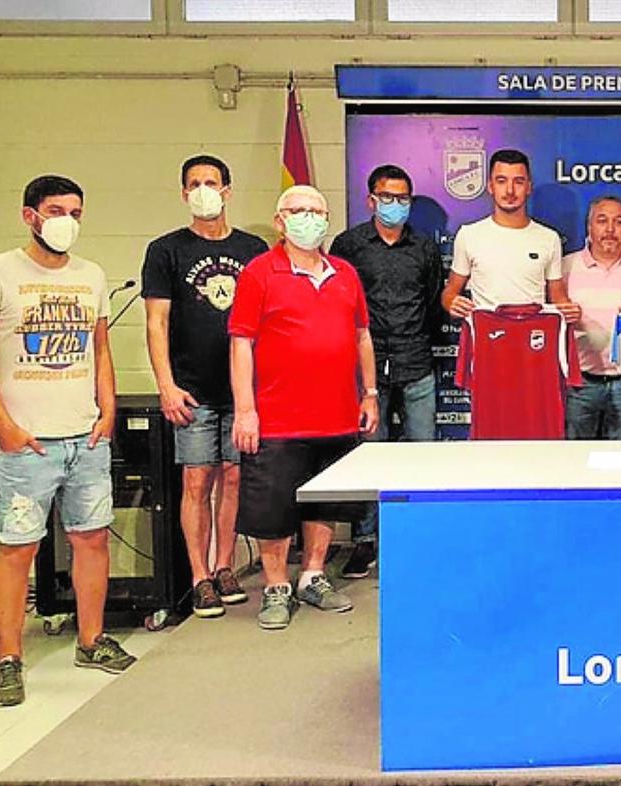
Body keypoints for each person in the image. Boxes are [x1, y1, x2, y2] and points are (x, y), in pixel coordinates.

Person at [0, 175, 135, 708]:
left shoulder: (90, 275)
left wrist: (108, 411)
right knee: (17, 546)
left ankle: (91, 640)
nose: (66, 220)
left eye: (75, 210)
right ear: (30, 214)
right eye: (55, 209)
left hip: (85, 435)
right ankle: (9, 658)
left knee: (92, 538)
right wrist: (5, 425)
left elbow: (99, 350)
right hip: (27, 443)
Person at [228, 185, 379, 631]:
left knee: (325, 505)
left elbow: (361, 336)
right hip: (276, 418)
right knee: (274, 507)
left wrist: (368, 392)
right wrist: (245, 409)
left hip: (336, 415)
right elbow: (242, 342)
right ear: (280, 221)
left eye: (317, 211)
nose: (308, 218)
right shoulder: (259, 273)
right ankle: (276, 586)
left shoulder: (346, 273)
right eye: (298, 211)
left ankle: (313, 576)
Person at [142, 155, 267, 617]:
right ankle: (199, 578)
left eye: (211, 182)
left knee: (234, 478)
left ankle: (224, 565)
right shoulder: (166, 250)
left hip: (241, 391)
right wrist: (166, 386)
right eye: (193, 183)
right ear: (182, 193)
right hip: (191, 389)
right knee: (197, 480)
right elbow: (156, 323)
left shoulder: (254, 248)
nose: (203, 190)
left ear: (228, 190)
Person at [329, 164, 441, 579]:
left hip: (416, 362)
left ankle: (421, 536)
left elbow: (431, 300)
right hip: (367, 373)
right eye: (387, 197)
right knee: (368, 457)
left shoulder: (424, 247)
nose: (395, 205)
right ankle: (365, 542)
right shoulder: (349, 245)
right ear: (371, 200)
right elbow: (340, 306)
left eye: (403, 198)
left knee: (422, 456)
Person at [441, 148, 580, 323]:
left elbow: (558, 298)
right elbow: (450, 291)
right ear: (490, 186)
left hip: (533, 341)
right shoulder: (469, 235)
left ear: (529, 187)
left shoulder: (549, 238)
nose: (510, 190)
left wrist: (570, 311)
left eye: (518, 182)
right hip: (487, 338)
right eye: (501, 181)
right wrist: (452, 302)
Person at [561, 195, 621, 439]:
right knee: (575, 459)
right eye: (602, 221)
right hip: (579, 383)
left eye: (619, 222)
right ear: (589, 227)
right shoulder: (564, 268)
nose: (610, 230)